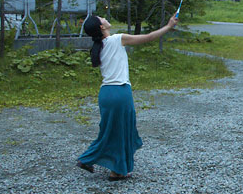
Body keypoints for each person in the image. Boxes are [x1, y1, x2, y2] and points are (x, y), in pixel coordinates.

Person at [76, 14, 178, 181]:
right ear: (102, 27)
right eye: (101, 18)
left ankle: (112, 168)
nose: (104, 18)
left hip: (106, 94)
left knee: (111, 130)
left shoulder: (99, 46)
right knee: (122, 130)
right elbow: (148, 37)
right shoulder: (117, 39)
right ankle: (99, 163)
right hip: (120, 92)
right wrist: (168, 26)